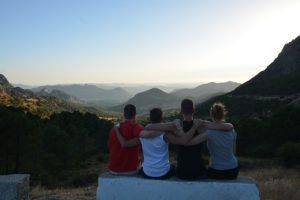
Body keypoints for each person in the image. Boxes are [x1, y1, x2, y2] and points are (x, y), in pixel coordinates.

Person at [146, 99, 234, 180]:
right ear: (194, 110)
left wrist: (170, 124)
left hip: (181, 172)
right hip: (199, 172)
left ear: (181, 111)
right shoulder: (200, 127)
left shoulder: (175, 127)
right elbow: (224, 126)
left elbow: (150, 126)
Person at [115, 107, 201, 179]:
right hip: (163, 173)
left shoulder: (142, 134)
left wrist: (116, 129)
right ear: (162, 118)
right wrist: (194, 127)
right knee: (174, 167)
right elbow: (183, 141)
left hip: (147, 173)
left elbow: (126, 144)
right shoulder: (165, 135)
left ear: (150, 119)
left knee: (142, 166)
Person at [186, 102, 239, 180]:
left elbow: (189, 143)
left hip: (216, 170)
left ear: (211, 115)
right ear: (223, 114)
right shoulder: (232, 130)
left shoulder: (209, 133)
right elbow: (233, 151)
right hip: (233, 169)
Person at [107, 104, 144, 175]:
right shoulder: (137, 128)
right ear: (135, 114)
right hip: (130, 170)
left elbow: (110, 147)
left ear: (124, 114)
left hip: (113, 169)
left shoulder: (113, 129)